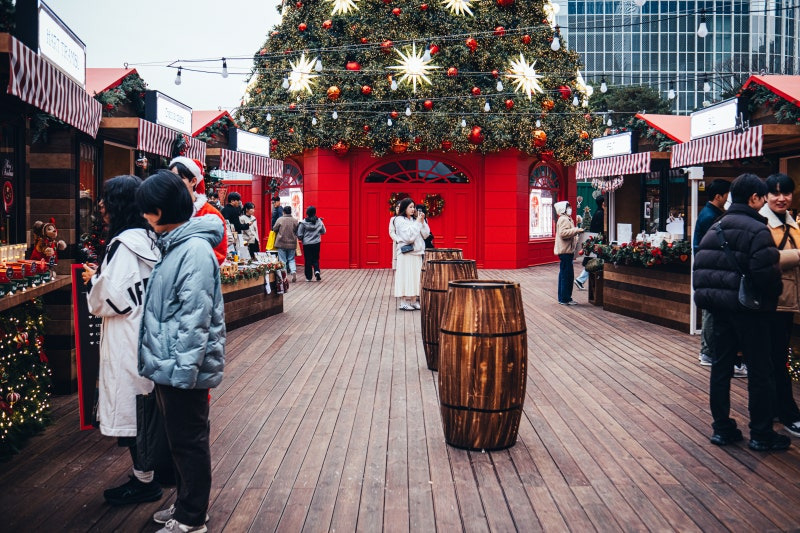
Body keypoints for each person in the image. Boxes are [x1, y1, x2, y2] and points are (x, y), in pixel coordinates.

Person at [136, 170, 225, 532]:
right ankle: (187, 506)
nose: (144, 216)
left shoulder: (193, 250)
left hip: (182, 368)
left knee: (189, 442)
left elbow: (195, 317)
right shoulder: (176, 244)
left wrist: (184, 373)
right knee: (180, 441)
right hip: (171, 363)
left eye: (148, 210)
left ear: (161, 209)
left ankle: (192, 517)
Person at [82, 175, 163, 506]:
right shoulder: (150, 239)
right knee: (144, 405)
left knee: (134, 408)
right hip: (149, 335)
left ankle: (145, 480)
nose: (101, 205)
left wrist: (94, 279)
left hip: (127, 338)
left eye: (105, 199)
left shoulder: (123, 245)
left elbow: (109, 300)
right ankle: (149, 474)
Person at [694, 173, 788, 452]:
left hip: (720, 312)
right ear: (755, 198)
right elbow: (767, 275)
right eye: (762, 197)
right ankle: (761, 433)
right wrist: (772, 297)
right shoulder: (759, 230)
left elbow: (701, 269)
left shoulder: (716, 226)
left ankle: (722, 429)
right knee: (761, 371)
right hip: (751, 312)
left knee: (721, 369)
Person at [759, 173, 800, 438]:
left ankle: (776, 408)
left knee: (777, 357)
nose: (781, 198)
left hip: (788, 303)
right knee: (775, 359)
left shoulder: (793, 224)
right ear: (764, 196)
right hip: (769, 303)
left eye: (786, 192)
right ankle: (788, 413)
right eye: (775, 193)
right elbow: (761, 260)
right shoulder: (760, 224)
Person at [693, 179, 734, 369]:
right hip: (710, 267)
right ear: (719, 196)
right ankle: (707, 352)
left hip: (707, 266)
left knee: (711, 311)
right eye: (726, 194)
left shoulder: (711, 213)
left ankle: (708, 351)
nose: (728, 198)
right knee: (710, 311)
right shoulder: (711, 216)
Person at [168, 157, 227, 265]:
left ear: (193, 181)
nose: (173, 182)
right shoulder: (165, 209)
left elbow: (219, 253)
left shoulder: (210, 214)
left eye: (178, 178)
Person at [394, 197, 430, 310]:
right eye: (410, 207)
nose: (413, 209)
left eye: (413, 207)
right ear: (404, 208)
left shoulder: (415, 220)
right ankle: (403, 302)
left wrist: (422, 222)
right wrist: (418, 223)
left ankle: (414, 300)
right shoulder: (399, 220)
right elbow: (409, 237)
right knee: (405, 277)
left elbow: (426, 234)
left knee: (416, 278)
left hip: (417, 253)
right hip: (406, 254)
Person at [554, 200, 584, 305]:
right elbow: (563, 233)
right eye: (568, 207)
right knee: (567, 275)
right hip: (565, 251)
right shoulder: (563, 219)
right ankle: (565, 298)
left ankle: (563, 297)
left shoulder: (566, 218)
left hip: (566, 251)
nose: (570, 209)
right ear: (564, 209)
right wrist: (576, 230)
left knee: (564, 274)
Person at [574, 196, 604, 290]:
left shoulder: (597, 212)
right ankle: (580, 280)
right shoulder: (601, 213)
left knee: (593, 262)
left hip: (594, 240)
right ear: (602, 203)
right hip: (598, 242)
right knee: (594, 263)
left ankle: (581, 280)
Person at [297, 205, 326, 281]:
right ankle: (317, 271)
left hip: (307, 244)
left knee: (308, 260)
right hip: (316, 243)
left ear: (307, 213)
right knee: (316, 258)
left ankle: (309, 277)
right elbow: (323, 231)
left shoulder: (303, 223)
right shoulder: (319, 221)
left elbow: (299, 235)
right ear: (315, 212)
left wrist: (303, 238)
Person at [273, 205, 299, 282]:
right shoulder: (295, 220)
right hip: (292, 243)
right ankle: (293, 271)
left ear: (283, 212)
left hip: (281, 243)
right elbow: (297, 230)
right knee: (291, 259)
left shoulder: (280, 219)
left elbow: (274, 228)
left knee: (282, 260)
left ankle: (284, 275)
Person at [388, 204, 401, 269]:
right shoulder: (393, 219)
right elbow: (391, 232)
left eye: (400, 207)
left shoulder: (408, 218)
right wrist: (398, 240)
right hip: (397, 242)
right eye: (397, 208)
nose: (398, 209)